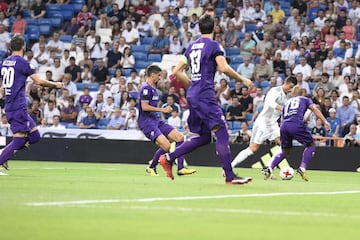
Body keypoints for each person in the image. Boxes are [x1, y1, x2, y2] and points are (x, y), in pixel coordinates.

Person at [159, 14, 254, 184]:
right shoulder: (213, 45)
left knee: (204, 137)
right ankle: (229, 176)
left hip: (193, 94)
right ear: (215, 28)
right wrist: (243, 80)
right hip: (204, 94)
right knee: (222, 132)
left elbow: (176, 71)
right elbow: (223, 68)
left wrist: (192, 85)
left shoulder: (191, 46)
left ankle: (169, 158)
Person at [0, 35, 62, 173]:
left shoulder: (4, 62)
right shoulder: (23, 63)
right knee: (19, 140)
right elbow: (39, 81)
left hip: (14, 105)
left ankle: (5, 152)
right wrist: (55, 85)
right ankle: (3, 156)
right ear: (23, 47)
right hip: (17, 106)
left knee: (34, 136)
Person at [262, 86, 330, 181]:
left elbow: (283, 116)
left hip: (284, 125)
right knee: (311, 145)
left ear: (293, 94)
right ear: (303, 93)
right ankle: (302, 168)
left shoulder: (287, 103)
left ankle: (269, 168)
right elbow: (315, 109)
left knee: (285, 150)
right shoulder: (305, 99)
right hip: (296, 123)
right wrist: (325, 121)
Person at [139, 65, 196, 177]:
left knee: (180, 138)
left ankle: (181, 168)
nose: (160, 78)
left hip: (157, 121)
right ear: (152, 75)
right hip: (147, 123)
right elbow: (144, 107)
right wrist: (162, 109)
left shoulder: (154, 89)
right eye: (158, 75)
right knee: (166, 146)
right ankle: (151, 167)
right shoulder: (145, 88)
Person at [231, 76, 298, 170]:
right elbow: (270, 103)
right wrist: (284, 109)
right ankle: (230, 166)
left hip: (273, 124)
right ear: (285, 83)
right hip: (263, 123)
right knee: (252, 149)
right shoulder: (274, 91)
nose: (291, 90)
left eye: (292, 88)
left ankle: (268, 168)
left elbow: (283, 114)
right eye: (290, 87)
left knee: (285, 146)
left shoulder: (287, 97)